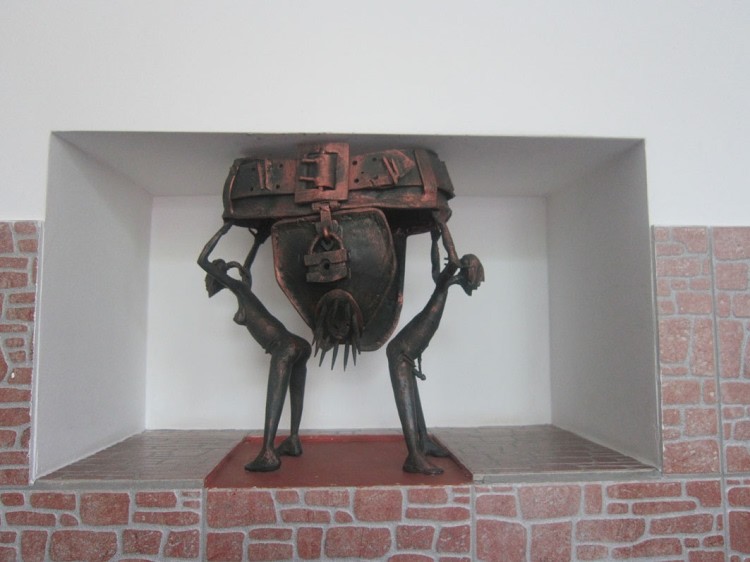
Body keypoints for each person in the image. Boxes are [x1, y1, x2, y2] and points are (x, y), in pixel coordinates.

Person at [198, 222, 311, 471]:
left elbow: (202, 260)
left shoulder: (237, 287)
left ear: (217, 277)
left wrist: (224, 230)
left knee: (275, 395)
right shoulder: (243, 290)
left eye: (211, 280)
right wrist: (257, 242)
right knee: (294, 390)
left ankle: (268, 452)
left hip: (284, 346)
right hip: (299, 345)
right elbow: (246, 268)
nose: (210, 285)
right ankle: (293, 440)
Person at [386, 219, 484, 474]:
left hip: (407, 353)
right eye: (476, 278)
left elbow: (435, 265)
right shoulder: (446, 281)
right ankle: (414, 457)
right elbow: (452, 259)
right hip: (400, 352)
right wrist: (441, 225)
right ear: (470, 270)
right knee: (407, 402)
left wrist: (433, 240)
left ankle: (423, 442)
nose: (476, 284)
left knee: (414, 399)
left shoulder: (444, 283)